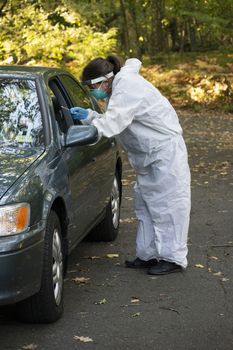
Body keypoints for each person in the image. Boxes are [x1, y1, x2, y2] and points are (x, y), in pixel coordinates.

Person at [70, 55, 191, 275]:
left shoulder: (127, 86)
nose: (93, 91)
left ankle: (172, 258)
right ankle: (148, 255)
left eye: (92, 86)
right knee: (145, 205)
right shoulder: (119, 89)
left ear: (105, 81)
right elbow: (118, 117)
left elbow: (114, 122)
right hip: (149, 156)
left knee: (168, 206)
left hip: (165, 153)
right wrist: (89, 116)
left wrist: (90, 129)